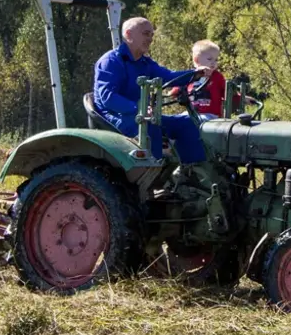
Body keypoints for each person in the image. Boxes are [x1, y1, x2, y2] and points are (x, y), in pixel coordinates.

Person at [92, 18, 226, 211]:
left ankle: (193, 178)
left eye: (152, 34)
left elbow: (170, 77)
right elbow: (107, 97)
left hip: (142, 115)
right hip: (117, 117)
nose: (150, 38)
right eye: (146, 34)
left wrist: (195, 74)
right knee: (151, 124)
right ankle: (150, 186)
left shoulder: (145, 63)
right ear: (128, 35)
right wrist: (137, 108)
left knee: (189, 123)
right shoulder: (111, 61)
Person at [171, 40, 227, 118]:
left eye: (216, 60)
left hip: (211, 115)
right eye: (210, 59)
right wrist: (173, 93)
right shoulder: (190, 76)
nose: (213, 63)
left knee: (196, 121)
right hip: (192, 113)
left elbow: (228, 92)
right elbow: (176, 90)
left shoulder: (217, 77)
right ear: (197, 60)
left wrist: (243, 98)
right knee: (178, 119)